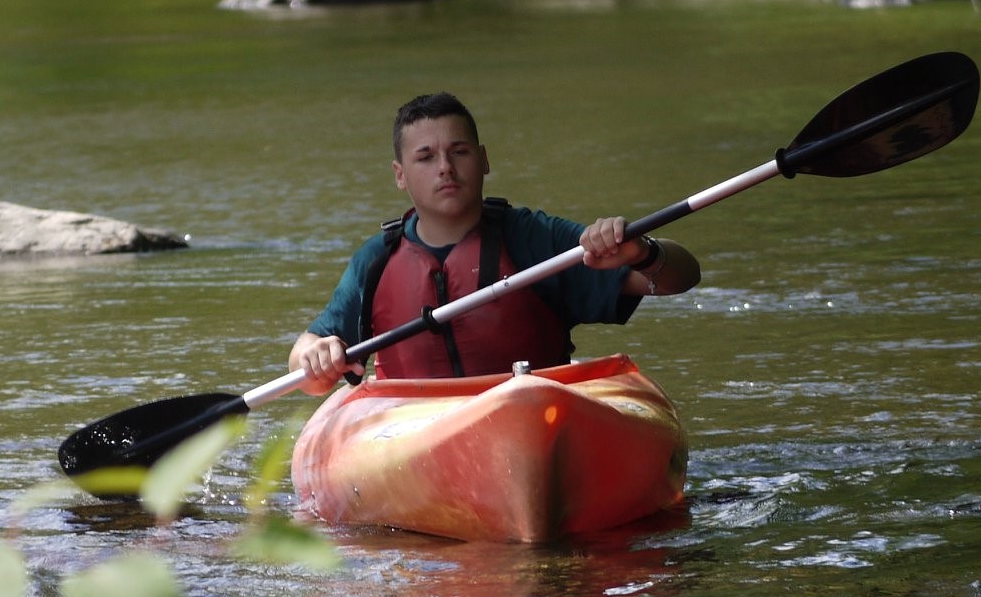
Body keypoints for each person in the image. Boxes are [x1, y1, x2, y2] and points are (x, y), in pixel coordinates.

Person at [289, 91, 701, 395]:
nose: (446, 168)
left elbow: (681, 276)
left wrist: (643, 252)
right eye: (426, 157)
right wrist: (314, 353)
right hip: (412, 429)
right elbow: (306, 361)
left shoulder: (532, 238)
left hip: (529, 411)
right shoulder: (376, 261)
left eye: (459, 152)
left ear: (483, 159)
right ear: (400, 174)